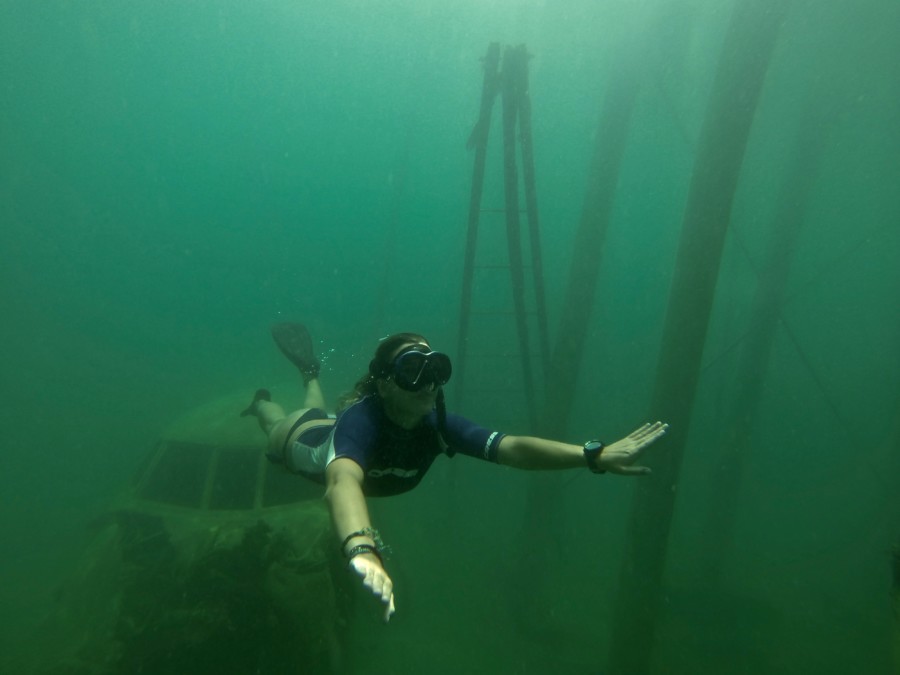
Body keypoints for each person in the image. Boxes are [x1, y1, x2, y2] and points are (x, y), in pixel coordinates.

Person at [242, 322, 668, 622]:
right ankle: (263, 402)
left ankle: (309, 373)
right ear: (386, 382)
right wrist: (361, 547)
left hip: (331, 427)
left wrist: (592, 455)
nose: (429, 384)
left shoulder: (437, 424)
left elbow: (512, 448)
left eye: (436, 371)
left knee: (316, 407)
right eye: (413, 372)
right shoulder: (361, 422)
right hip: (304, 442)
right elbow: (342, 481)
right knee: (280, 425)